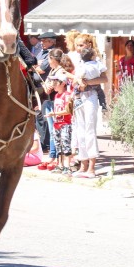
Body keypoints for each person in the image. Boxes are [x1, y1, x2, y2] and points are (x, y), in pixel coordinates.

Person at [72, 46, 105, 178]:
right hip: (80, 96)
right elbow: (76, 80)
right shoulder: (83, 65)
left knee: (89, 130)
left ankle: (91, 167)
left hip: (91, 95)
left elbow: (104, 79)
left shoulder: (97, 64)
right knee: (80, 129)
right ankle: (83, 164)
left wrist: (87, 82)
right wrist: (80, 82)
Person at [46, 71, 74, 175]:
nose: (53, 85)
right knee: (58, 144)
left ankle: (67, 166)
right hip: (56, 124)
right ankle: (60, 165)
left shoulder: (67, 95)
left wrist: (54, 113)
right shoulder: (56, 96)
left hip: (65, 124)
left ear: (62, 83)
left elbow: (68, 110)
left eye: (55, 82)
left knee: (65, 144)